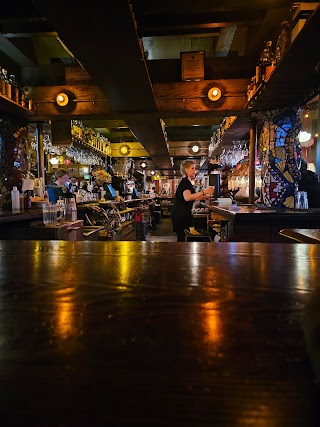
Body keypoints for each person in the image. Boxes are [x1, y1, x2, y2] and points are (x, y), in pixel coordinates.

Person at [171, 160, 214, 242]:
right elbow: (187, 198)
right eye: (192, 168)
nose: (195, 170)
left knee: (183, 238)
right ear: (186, 169)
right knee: (182, 239)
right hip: (181, 215)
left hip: (181, 214)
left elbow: (191, 198)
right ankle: (182, 254)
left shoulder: (186, 182)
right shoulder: (185, 182)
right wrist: (204, 192)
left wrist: (204, 197)